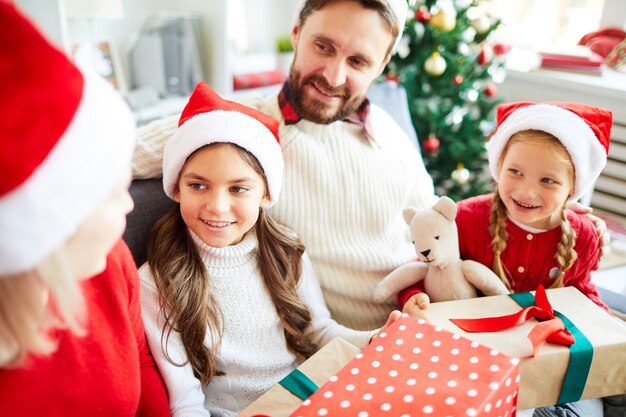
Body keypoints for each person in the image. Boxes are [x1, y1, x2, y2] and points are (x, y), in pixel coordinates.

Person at [131, 0, 607, 330]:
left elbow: (440, 225)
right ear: (297, 35)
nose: (334, 76)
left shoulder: (390, 132)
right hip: (339, 341)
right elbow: (108, 154)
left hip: (432, 321)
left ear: (380, 68)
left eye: (358, 60)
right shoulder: (242, 126)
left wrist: (554, 213)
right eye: (323, 47)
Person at [139, 81, 400, 416]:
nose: (217, 206)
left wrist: (377, 338)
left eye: (238, 189)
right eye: (198, 185)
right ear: (176, 188)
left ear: (265, 195)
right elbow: (184, 401)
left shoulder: (285, 252)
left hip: (310, 395)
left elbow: (319, 330)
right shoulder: (156, 280)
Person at [0, 4, 171, 416]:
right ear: (51, 227)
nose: (131, 203)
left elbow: (143, 365)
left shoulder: (110, 262)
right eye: (114, 193)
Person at [400, 101, 619, 417]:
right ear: (498, 168)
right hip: (482, 356)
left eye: (548, 181)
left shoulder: (582, 235)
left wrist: (607, 331)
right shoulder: (466, 219)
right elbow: (423, 268)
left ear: (573, 187)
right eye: (515, 172)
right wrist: (411, 297)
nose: (526, 192)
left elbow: (581, 293)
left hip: (555, 358)